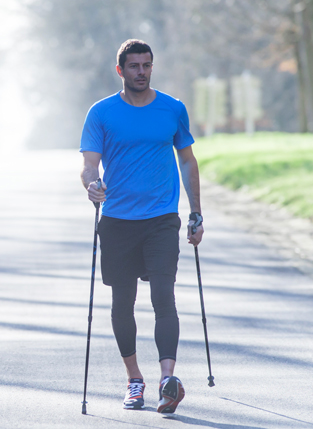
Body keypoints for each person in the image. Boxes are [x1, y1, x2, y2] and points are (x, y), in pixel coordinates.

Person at [79, 39, 204, 414]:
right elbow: (88, 165)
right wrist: (92, 185)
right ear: (120, 70)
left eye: (146, 65)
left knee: (164, 295)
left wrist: (196, 212)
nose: (141, 72)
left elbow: (187, 162)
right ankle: (135, 379)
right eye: (133, 66)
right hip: (118, 221)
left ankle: (168, 379)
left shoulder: (173, 109)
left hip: (161, 220)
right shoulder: (101, 113)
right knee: (123, 303)